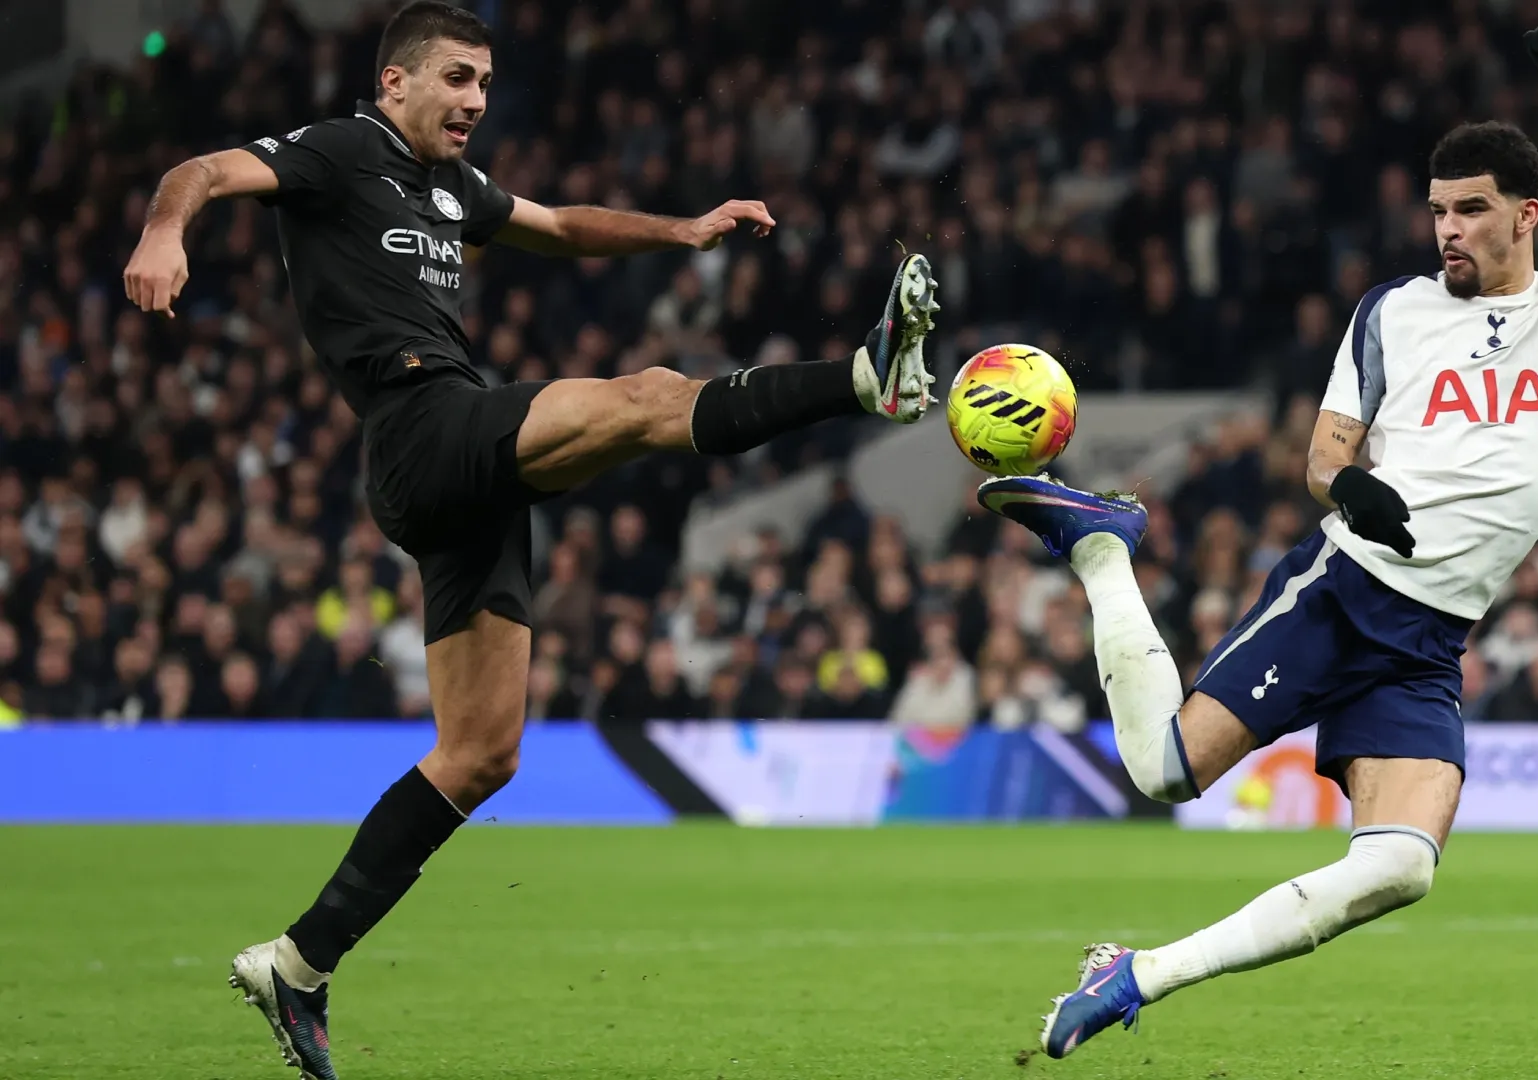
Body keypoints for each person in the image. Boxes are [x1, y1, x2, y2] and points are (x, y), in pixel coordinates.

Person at [119, 4, 940, 1077]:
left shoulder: (455, 189)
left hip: (468, 479)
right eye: (456, 78)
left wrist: (681, 230)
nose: (475, 102)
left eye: (487, 84)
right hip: (418, 431)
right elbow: (203, 171)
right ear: (396, 83)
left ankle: (299, 964)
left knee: (482, 754)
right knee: (646, 397)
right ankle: (864, 377)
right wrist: (162, 228)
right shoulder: (342, 150)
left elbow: (561, 225)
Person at [978, 21, 1538, 1059]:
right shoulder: (1391, 312)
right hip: (1345, 591)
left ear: (1527, 216)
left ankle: (1136, 975)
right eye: (1438, 210)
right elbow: (1320, 456)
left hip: (1430, 640)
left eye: (1472, 209)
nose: (1448, 229)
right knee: (1164, 772)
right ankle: (1103, 551)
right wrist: (1354, 490)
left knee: (1400, 867)